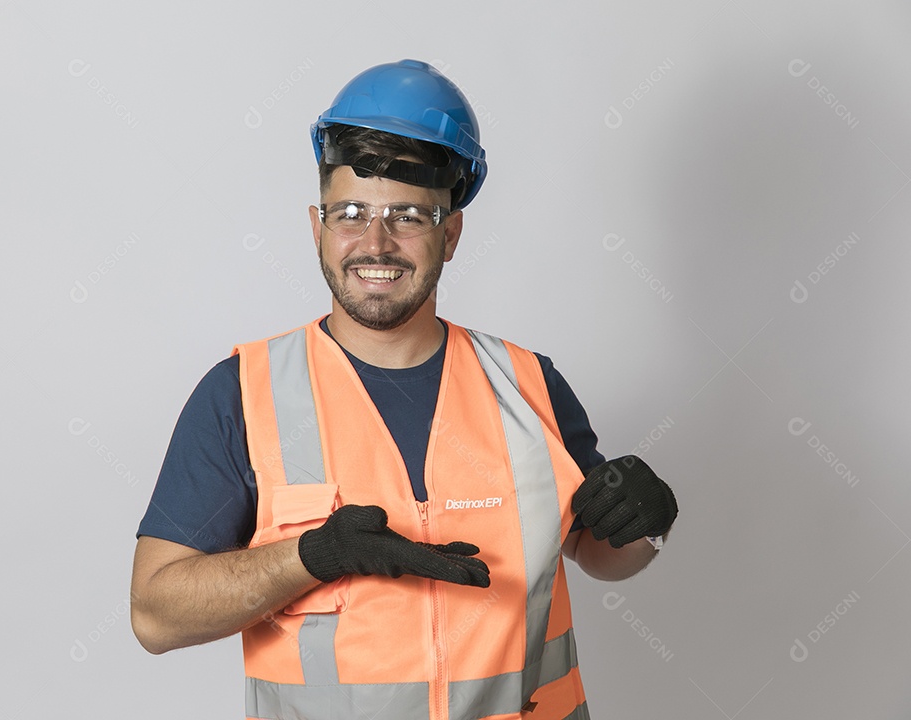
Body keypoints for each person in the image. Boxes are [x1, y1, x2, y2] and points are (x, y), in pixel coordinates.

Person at [130, 59, 678, 720]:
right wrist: (311, 556)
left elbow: (599, 553)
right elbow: (156, 615)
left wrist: (646, 526)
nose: (376, 242)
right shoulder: (243, 395)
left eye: (409, 216)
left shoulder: (529, 385)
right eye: (351, 213)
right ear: (317, 228)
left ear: (451, 235)